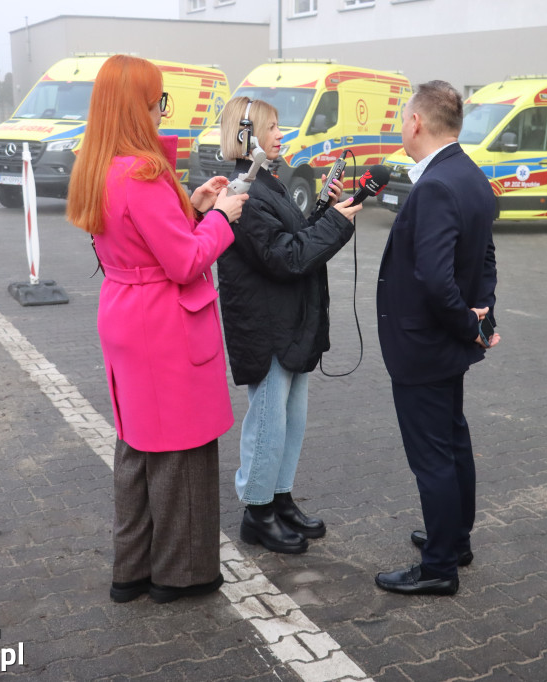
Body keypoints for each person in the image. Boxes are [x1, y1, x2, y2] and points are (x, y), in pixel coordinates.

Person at [66, 55, 248, 605]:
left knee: (138, 446)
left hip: (125, 309)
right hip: (163, 320)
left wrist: (192, 206)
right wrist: (221, 218)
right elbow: (185, 261)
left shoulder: (99, 165)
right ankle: (180, 574)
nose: (161, 110)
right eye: (157, 100)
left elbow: (142, 236)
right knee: (180, 450)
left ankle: (133, 569)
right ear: (138, 106)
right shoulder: (142, 173)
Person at [216, 96, 362, 555]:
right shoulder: (243, 191)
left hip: (290, 321)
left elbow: (295, 239)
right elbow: (286, 257)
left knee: (290, 419)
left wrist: (324, 211)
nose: (281, 134)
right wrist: (333, 224)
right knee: (268, 420)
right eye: (272, 126)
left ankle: (279, 498)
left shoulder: (269, 182)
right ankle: (257, 512)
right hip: (267, 325)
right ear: (246, 135)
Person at [374, 80, 499, 596]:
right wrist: (483, 320)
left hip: (424, 345)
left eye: (402, 119)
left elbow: (434, 277)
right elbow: (485, 257)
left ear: (416, 122)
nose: (401, 127)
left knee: (433, 457)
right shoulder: (469, 174)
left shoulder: (435, 186)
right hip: (447, 344)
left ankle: (439, 567)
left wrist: (472, 324)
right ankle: (455, 539)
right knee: (452, 441)